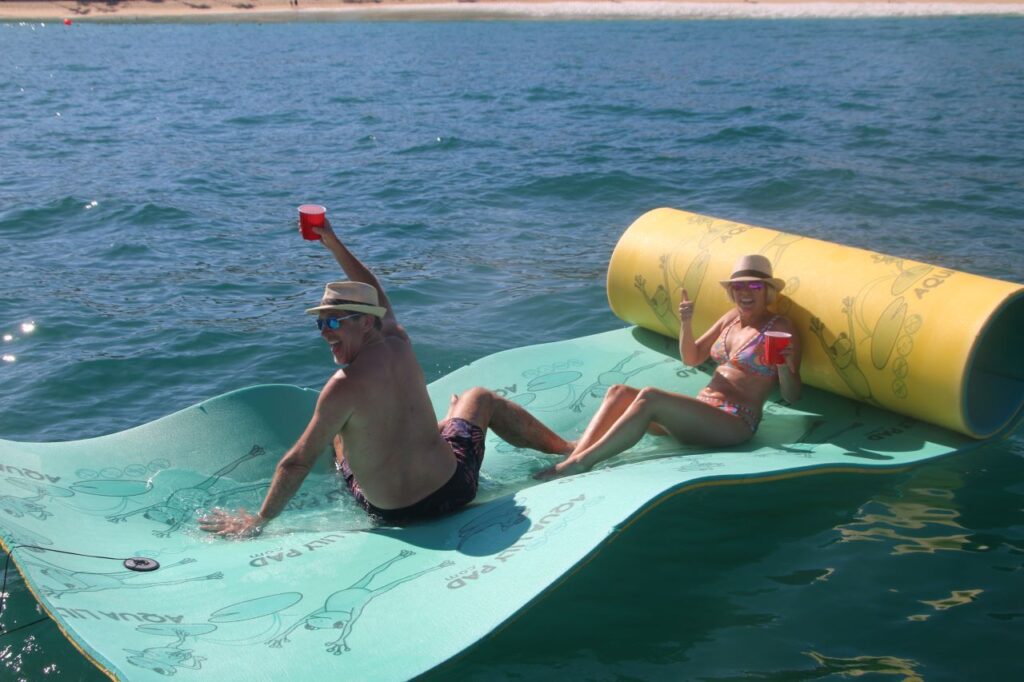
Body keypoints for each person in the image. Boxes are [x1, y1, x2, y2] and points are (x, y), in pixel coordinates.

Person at [200, 219, 572, 536]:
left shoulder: (342, 387)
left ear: (365, 322)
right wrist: (332, 241)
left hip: (395, 514)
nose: (325, 332)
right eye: (320, 323)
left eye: (333, 322)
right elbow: (375, 291)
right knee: (480, 398)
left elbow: (296, 462)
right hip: (455, 490)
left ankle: (568, 454)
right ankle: (567, 450)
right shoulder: (398, 342)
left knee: (340, 440)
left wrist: (260, 520)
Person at [536, 254, 801, 480]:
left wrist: (785, 366)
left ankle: (580, 464)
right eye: (738, 286)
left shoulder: (780, 328)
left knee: (650, 397)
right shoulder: (731, 319)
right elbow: (692, 357)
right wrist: (686, 321)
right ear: (731, 291)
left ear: (767, 291)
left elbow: (791, 396)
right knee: (619, 392)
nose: (745, 293)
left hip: (735, 420)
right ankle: (578, 452)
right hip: (701, 413)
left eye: (754, 286)